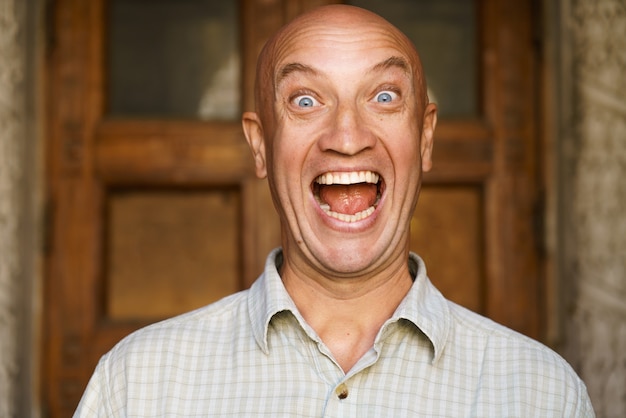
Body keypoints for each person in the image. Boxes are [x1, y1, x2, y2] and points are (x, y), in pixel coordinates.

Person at [74, 5, 594, 417]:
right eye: (305, 101)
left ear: (426, 137)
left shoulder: (542, 395)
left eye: (384, 96)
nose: (347, 137)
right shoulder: (138, 385)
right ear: (260, 146)